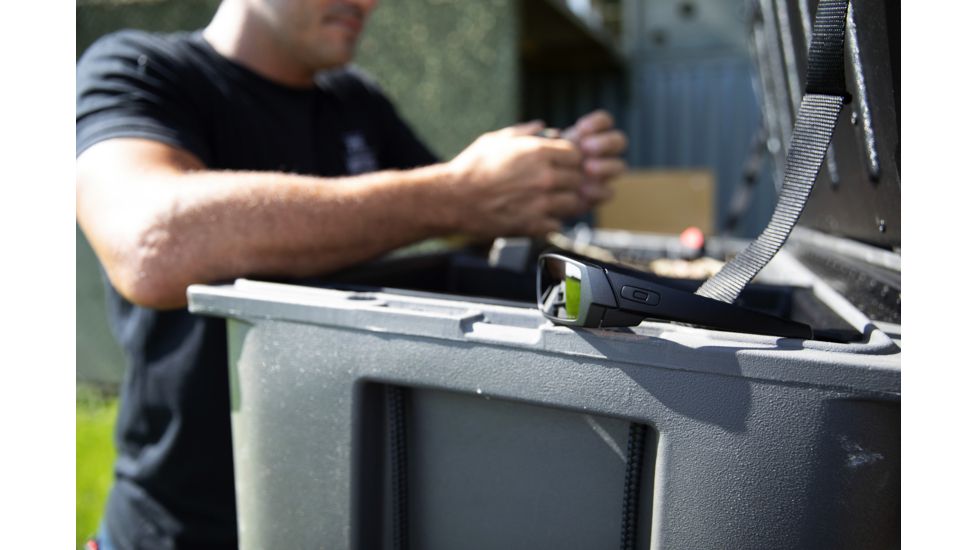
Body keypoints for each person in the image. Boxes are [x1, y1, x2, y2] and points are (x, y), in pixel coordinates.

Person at [76, 0, 627, 547]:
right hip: (177, 529)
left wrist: (540, 184)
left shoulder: (355, 101)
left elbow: (465, 217)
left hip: (340, 510)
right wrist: (460, 194)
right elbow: (150, 244)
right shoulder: (138, 69)